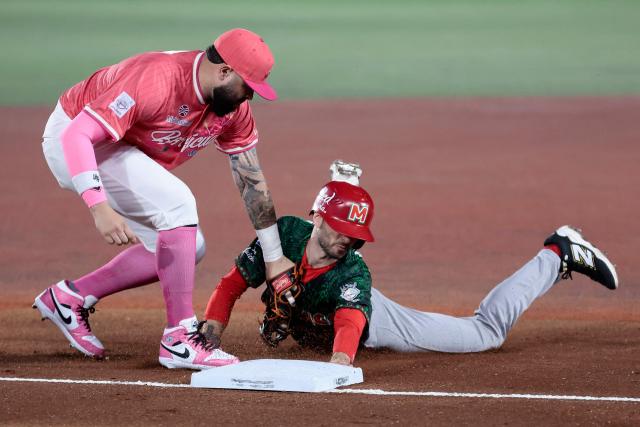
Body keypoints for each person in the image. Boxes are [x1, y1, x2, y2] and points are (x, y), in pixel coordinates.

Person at [32, 28, 296, 370]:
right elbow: (78, 135)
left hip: (118, 144)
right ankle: (179, 338)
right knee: (177, 204)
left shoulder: (231, 108)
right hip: (74, 138)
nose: (249, 98)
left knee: (188, 247)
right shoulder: (156, 79)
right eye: (248, 87)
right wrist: (98, 205)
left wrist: (274, 258)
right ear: (225, 71)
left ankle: (69, 298)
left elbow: (251, 179)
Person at [198, 162, 619, 366]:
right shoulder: (284, 236)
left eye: (356, 234)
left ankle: (558, 253)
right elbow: (231, 283)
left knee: (484, 334)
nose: (349, 239)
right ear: (317, 217)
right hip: (322, 303)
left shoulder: (353, 271)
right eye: (341, 228)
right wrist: (210, 334)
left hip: (374, 320)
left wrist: (337, 367)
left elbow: (347, 328)